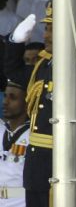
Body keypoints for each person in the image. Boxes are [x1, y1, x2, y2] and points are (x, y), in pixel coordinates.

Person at [4, 1, 76, 207]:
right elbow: (13, 72)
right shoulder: (43, 65)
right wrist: (15, 42)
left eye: (52, 29)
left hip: (66, 166)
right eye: (47, 28)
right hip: (36, 165)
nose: (46, 35)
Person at [0, 74, 30, 207]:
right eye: (5, 96)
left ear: (26, 103)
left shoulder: (35, 136)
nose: (5, 102)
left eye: (13, 98)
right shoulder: (1, 130)